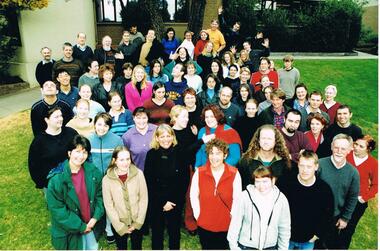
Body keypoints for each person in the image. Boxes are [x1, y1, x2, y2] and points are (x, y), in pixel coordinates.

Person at [46, 135, 105, 250]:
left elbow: (100, 196)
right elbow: (58, 211)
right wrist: (81, 226)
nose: (81, 156)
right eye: (77, 151)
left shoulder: (93, 172)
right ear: (69, 153)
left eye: (84, 152)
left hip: (90, 225)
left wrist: (95, 218)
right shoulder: (56, 180)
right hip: (70, 230)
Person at [144, 124, 195, 249]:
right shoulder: (151, 154)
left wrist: (172, 201)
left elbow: (184, 180)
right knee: (157, 231)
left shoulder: (180, 153)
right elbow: (149, 180)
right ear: (156, 138)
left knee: (174, 231)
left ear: (173, 137)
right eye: (162, 136)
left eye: (168, 136)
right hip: (157, 200)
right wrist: (162, 202)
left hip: (175, 200)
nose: (165, 139)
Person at [170, 105, 215, 236]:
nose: (186, 119)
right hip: (177, 170)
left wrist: (196, 137)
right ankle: (173, 223)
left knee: (191, 196)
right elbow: (182, 152)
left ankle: (190, 223)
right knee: (177, 198)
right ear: (175, 118)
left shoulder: (189, 130)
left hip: (190, 168)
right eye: (183, 117)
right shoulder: (171, 134)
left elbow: (192, 149)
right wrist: (201, 140)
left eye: (187, 117)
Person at [191, 139, 242, 249]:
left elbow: (237, 199)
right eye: (211, 153)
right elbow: (193, 195)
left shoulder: (234, 173)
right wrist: (197, 215)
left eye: (218, 153)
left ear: (225, 155)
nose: (214, 157)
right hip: (205, 223)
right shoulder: (199, 173)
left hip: (226, 224)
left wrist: (232, 218)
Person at [279, 150, 334, 250]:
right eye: (302, 165)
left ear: (316, 167)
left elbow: (328, 215)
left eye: (309, 167)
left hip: (308, 240)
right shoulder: (286, 184)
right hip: (286, 238)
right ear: (298, 165)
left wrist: (317, 235)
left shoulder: (324, 190)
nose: (305, 170)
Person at [227, 166, 290, 250]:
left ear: (273, 181)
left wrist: (283, 248)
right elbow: (235, 224)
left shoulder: (281, 199)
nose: (261, 186)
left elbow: (284, 227)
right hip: (246, 246)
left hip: (270, 247)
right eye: (257, 181)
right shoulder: (244, 197)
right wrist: (234, 247)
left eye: (265, 181)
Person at [318, 134, 360, 249]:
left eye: (343, 149)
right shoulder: (319, 165)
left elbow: (352, 197)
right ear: (331, 147)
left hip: (335, 218)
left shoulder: (353, 173)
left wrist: (345, 218)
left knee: (329, 245)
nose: (339, 151)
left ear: (349, 151)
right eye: (336, 147)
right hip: (316, 214)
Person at [102, 146, 148, 250]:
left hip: (136, 219)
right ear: (114, 161)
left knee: (137, 246)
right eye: (121, 159)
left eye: (128, 159)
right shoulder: (107, 179)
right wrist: (119, 226)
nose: (125, 162)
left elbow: (143, 198)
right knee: (121, 247)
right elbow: (109, 205)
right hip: (118, 221)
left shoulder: (139, 174)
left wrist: (138, 222)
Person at [88, 112, 123, 243]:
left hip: (111, 178)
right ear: (95, 124)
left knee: (110, 204)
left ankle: (109, 230)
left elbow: (119, 159)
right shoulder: (89, 140)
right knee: (95, 204)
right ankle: (96, 228)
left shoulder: (117, 140)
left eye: (105, 125)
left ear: (110, 127)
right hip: (94, 179)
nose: (102, 128)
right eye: (99, 124)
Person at [28, 107, 78, 190]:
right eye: (56, 117)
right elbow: (34, 165)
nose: (60, 119)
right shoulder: (39, 141)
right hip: (52, 184)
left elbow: (82, 151)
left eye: (60, 116)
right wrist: (44, 183)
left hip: (74, 179)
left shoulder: (71, 133)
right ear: (47, 120)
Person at [345, 135, 378, 249]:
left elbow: (376, 185)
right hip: (342, 196)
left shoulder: (373, 163)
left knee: (349, 228)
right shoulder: (347, 155)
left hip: (358, 201)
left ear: (368, 149)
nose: (356, 147)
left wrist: (364, 198)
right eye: (355, 144)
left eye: (361, 146)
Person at [237, 124, 292, 190]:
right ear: (258, 140)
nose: (266, 142)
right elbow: (240, 187)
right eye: (263, 138)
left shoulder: (284, 162)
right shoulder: (245, 161)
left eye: (269, 139)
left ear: (276, 141)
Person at [122, 107, 157, 171]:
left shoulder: (156, 130)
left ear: (148, 118)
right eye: (138, 118)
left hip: (156, 172)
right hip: (137, 173)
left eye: (144, 118)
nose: (141, 121)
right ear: (133, 118)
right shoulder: (127, 136)